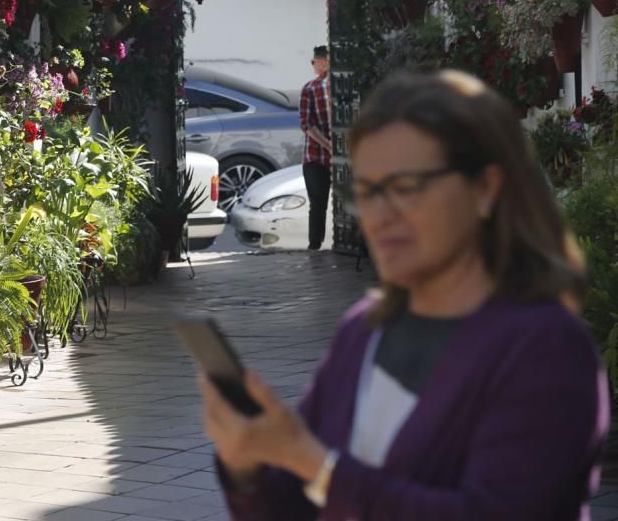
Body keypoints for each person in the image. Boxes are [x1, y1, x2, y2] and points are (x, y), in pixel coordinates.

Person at [198, 70, 607, 520]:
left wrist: (314, 463)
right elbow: (298, 506)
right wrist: (248, 464)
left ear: (486, 188)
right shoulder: (365, 328)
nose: (380, 214)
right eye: (369, 191)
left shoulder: (544, 347)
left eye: (406, 188)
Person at [299, 46, 331, 250]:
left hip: (315, 156)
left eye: (313, 62)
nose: (312, 65)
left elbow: (306, 124)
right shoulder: (346, 87)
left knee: (317, 204)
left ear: (323, 62)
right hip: (343, 157)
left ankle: (315, 246)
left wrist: (328, 145)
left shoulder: (311, 88)